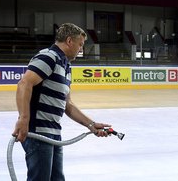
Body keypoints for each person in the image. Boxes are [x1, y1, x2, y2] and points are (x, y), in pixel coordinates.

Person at [12, 23, 112, 181]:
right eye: (80, 44)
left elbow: (68, 105)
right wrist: (23, 119)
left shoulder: (66, 65)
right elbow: (24, 84)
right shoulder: (49, 57)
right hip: (38, 133)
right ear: (69, 41)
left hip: (53, 134)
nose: (81, 49)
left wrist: (91, 124)